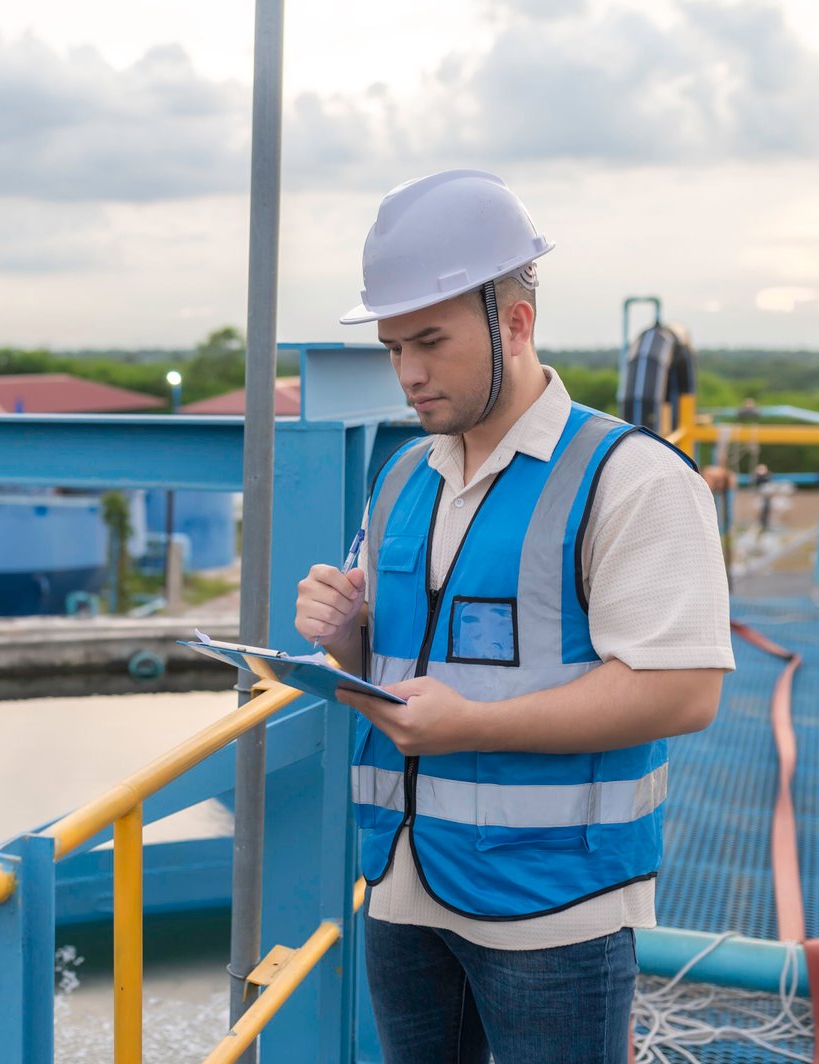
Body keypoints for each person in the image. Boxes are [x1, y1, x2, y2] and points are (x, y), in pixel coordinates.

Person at [295, 170, 733, 1064]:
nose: (409, 373)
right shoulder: (403, 476)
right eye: (392, 347)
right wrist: (345, 635)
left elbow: (684, 692)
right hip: (402, 879)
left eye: (430, 342)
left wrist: (473, 726)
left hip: (552, 903)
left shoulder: (633, 478)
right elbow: (395, 662)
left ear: (517, 324)